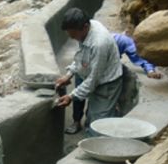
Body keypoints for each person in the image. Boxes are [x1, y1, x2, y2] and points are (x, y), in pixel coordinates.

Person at [53, 8, 125, 136]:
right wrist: (69, 74)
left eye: (73, 34)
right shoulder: (88, 28)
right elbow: (82, 57)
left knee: (99, 128)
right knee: (92, 118)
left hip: (106, 84)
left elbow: (93, 79)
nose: (72, 37)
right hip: (92, 76)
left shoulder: (99, 44)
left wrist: (71, 96)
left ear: (85, 27)